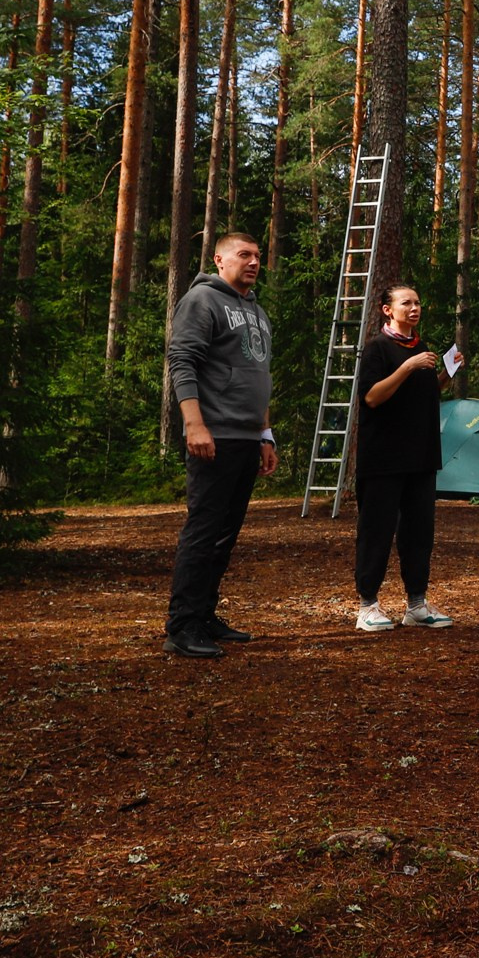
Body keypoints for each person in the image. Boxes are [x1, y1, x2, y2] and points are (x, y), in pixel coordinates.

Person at [164, 231, 276, 659]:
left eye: (258, 256)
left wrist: (265, 435)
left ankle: (205, 615)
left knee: (224, 536)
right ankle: (182, 626)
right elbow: (182, 360)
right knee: (204, 531)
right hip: (214, 435)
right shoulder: (203, 301)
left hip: (247, 438)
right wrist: (194, 424)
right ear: (219, 260)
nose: (253, 262)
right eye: (244, 255)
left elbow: (257, 377)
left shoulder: (257, 311)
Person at [352, 284, 460, 633]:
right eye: (406, 303)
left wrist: (446, 374)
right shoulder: (377, 349)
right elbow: (371, 397)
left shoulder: (421, 348)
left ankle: (416, 604)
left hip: (421, 455)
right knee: (377, 532)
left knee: (419, 533)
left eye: (417, 302)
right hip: (383, 457)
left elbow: (427, 392)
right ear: (387, 310)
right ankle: (367, 606)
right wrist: (408, 367)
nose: (414, 308)